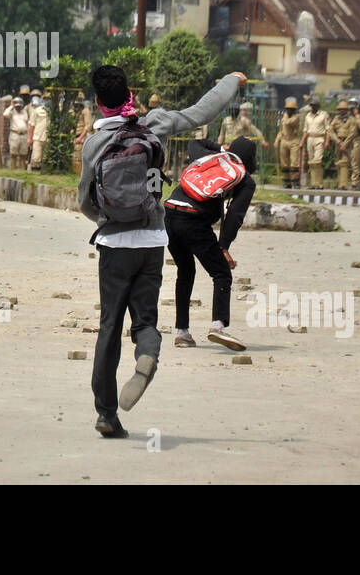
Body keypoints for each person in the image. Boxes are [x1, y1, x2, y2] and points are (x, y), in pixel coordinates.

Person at [79, 63, 247, 438]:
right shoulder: (156, 124)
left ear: (97, 103)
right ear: (130, 95)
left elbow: (84, 202)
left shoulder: (95, 144)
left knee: (110, 326)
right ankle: (147, 355)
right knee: (145, 322)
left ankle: (107, 414)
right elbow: (203, 111)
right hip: (153, 241)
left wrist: (105, 219)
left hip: (114, 245)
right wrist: (231, 80)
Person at [165, 136, 256, 350]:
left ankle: (182, 332)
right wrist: (224, 246)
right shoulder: (245, 180)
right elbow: (235, 215)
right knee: (222, 274)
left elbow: (194, 143)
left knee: (185, 271)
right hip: (194, 221)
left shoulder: (211, 158)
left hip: (168, 214)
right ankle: (218, 326)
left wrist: (220, 147)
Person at [329, 100, 360, 190]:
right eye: (340, 109)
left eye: (343, 109)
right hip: (339, 141)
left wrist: (345, 144)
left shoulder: (352, 120)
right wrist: (337, 141)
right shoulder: (336, 119)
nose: (341, 111)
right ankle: (341, 183)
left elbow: (352, 133)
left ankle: (351, 183)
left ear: (347, 110)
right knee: (339, 163)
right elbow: (330, 130)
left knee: (350, 163)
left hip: (349, 143)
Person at [300, 96, 331, 188]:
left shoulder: (323, 115)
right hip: (310, 139)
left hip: (319, 138)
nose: (313, 107)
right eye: (312, 105)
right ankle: (314, 183)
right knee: (311, 162)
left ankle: (319, 183)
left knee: (317, 161)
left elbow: (328, 129)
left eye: (315, 105)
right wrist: (302, 142)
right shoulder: (307, 116)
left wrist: (327, 141)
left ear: (318, 106)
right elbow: (305, 131)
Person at [274, 97, 301, 188]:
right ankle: (287, 182)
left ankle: (295, 182)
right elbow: (281, 130)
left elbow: (289, 123)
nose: (289, 111)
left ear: (294, 110)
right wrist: (277, 140)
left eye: (291, 109)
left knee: (294, 163)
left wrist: (285, 117)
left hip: (294, 140)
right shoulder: (284, 118)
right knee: (284, 163)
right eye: (287, 109)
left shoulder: (296, 117)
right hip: (284, 140)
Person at [4, 96, 30, 170]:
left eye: (19, 106)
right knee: (13, 153)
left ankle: (22, 170)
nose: (18, 107)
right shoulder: (12, 113)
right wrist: (11, 106)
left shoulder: (24, 112)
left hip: (24, 134)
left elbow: (27, 121)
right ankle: (12, 169)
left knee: (23, 154)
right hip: (15, 134)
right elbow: (5, 114)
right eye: (16, 106)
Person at [28, 91, 50, 172]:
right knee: (36, 158)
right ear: (43, 100)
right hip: (37, 137)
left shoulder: (54, 111)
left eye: (50, 99)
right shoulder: (37, 110)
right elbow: (31, 125)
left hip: (48, 138)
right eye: (46, 99)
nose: (48, 101)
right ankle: (34, 173)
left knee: (46, 159)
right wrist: (29, 139)